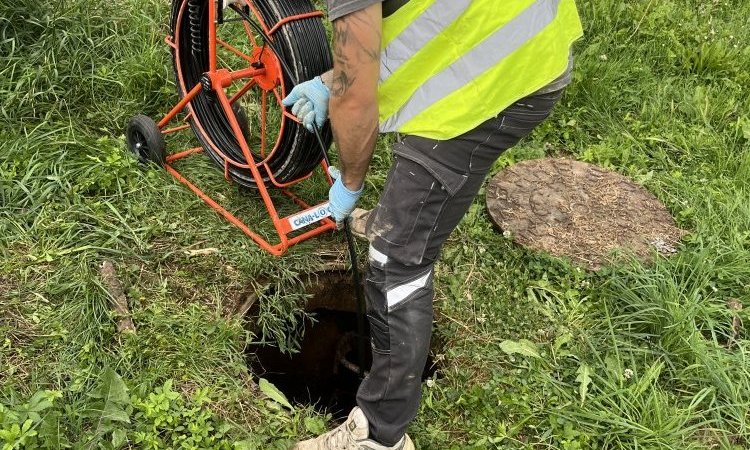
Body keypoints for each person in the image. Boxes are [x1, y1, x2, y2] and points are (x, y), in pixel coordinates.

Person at [282, 1, 583, 448]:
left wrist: (349, 183)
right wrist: (333, 80)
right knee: (402, 220)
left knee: (396, 262)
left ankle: (380, 433)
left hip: (503, 79)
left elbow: (357, 100)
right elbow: (432, 22)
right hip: (528, 42)